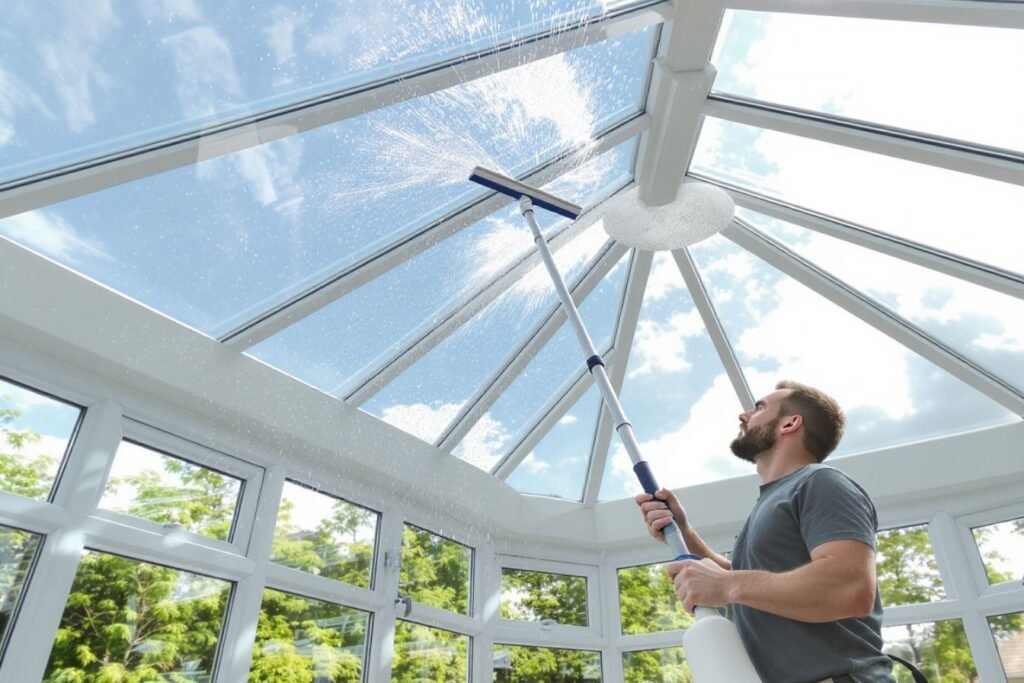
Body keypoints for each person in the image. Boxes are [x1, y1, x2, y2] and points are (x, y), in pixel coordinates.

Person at [636, 380, 897, 683]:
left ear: (790, 423)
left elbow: (849, 588)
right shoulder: (769, 503)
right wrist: (684, 530)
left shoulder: (821, 482)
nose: (743, 415)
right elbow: (750, 587)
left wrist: (728, 584)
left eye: (759, 407)